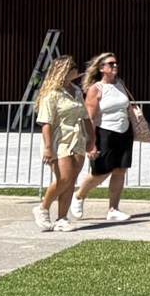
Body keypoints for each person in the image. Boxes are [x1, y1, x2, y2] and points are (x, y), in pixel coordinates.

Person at [73, 51, 135, 223]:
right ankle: (79, 195)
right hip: (104, 132)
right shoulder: (95, 89)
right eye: (110, 64)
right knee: (101, 171)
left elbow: (126, 106)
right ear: (101, 68)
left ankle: (113, 209)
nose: (115, 66)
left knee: (120, 170)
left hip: (124, 132)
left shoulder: (120, 84)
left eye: (116, 63)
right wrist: (91, 143)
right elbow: (90, 118)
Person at [32, 56, 87, 232]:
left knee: (71, 180)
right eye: (72, 67)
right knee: (64, 178)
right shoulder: (52, 94)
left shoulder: (77, 92)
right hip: (58, 141)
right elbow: (46, 123)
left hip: (77, 139)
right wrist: (48, 148)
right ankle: (43, 207)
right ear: (63, 71)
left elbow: (84, 116)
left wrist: (92, 140)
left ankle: (62, 217)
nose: (76, 70)